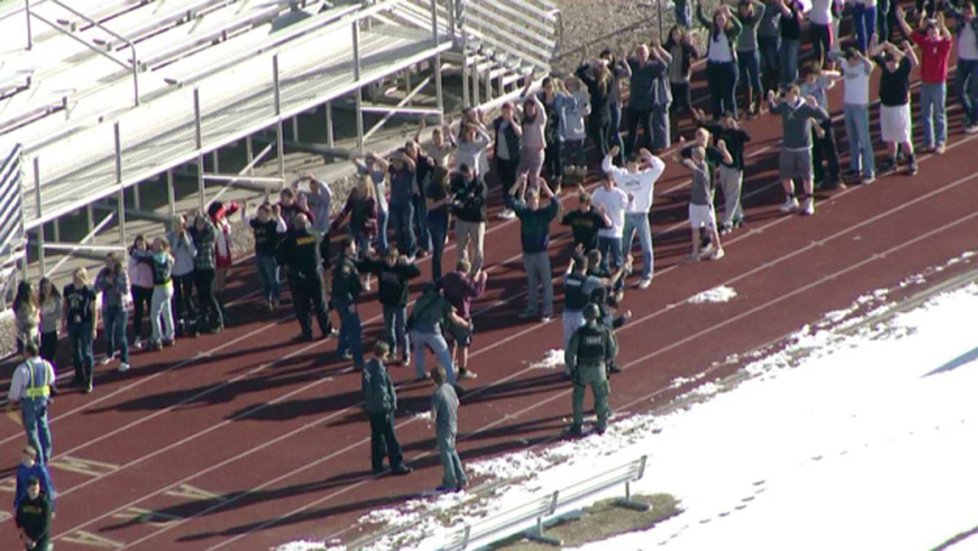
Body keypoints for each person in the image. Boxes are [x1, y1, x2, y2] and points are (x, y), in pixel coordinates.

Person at [601, 145, 666, 289]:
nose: (632, 168)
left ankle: (647, 275)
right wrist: (610, 155)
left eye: (635, 165)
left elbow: (661, 167)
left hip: (641, 215)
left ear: (639, 165)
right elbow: (606, 167)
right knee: (624, 245)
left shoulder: (646, 176)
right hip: (626, 215)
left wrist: (649, 157)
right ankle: (625, 268)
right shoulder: (622, 175)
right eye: (630, 165)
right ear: (626, 164)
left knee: (646, 246)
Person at [504, 175, 561, 322]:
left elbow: (556, 204)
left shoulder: (544, 213)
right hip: (528, 253)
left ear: (538, 200)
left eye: (534, 200)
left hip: (541, 253)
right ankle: (532, 307)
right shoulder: (524, 212)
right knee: (531, 282)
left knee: (547, 282)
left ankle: (547, 310)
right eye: (530, 201)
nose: (532, 203)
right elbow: (509, 200)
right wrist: (517, 183)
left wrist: (545, 187)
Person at [767, 86, 831, 215]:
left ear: (795, 94)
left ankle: (809, 201)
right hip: (787, 147)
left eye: (787, 94)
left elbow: (825, 116)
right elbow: (774, 111)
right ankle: (791, 199)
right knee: (785, 175)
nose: (785, 96)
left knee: (807, 176)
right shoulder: (785, 106)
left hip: (803, 148)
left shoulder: (805, 108)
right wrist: (770, 100)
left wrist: (816, 106)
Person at [900, 10, 954, 153]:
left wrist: (943, 26)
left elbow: (948, 37)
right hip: (926, 83)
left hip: (938, 84)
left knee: (939, 114)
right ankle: (928, 141)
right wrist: (901, 20)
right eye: (930, 30)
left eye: (935, 30)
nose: (932, 33)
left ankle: (941, 141)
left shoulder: (943, 44)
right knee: (926, 114)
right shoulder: (926, 43)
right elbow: (910, 33)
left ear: (938, 32)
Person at [358, 247, 422, 365]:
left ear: (396, 259)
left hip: (399, 304)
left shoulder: (402, 269)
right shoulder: (381, 266)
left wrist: (408, 263)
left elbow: (417, 272)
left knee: (402, 330)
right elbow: (368, 264)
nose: (390, 261)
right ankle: (392, 350)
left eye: (392, 259)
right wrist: (367, 254)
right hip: (387, 302)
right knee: (389, 329)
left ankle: (405, 354)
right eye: (388, 258)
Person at [692, 108, 753, 231]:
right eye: (723, 120)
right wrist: (701, 119)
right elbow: (705, 126)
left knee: (732, 195)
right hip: (724, 166)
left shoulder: (736, 133)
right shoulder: (719, 129)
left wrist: (735, 128)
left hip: (735, 168)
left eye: (727, 120)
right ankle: (738, 215)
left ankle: (727, 221)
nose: (724, 123)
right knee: (729, 193)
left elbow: (748, 137)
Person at [279, 213, 333, 343]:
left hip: (299, 277)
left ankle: (307, 333)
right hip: (315, 274)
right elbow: (325, 245)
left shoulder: (290, 239)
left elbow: (283, 258)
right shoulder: (314, 235)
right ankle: (326, 330)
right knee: (321, 304)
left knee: (303, 308)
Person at [565, 303, 617, 436]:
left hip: (583, 369)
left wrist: (571, 368)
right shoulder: (605, 331)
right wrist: (607, 362)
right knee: (601, 397)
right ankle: (602, 425)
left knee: (578, 397)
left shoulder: (580, 333)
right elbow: (613, 350)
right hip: (599, 369)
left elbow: (570, 352)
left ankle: (577, 425)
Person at [362, 341, 412, 476]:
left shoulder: (369, 367)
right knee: (390, 437)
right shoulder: (378, 370)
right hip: (382, 409)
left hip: (373, 408)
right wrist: (389, 404)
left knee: (377, 436)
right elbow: (381, 391)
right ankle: (397, 464)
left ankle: (377, 464)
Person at [871, 40, 919, 175]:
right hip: (886, 107)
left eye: (894, 62)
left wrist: (893, 48)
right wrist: (883, 45)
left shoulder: (902, 71)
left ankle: (911, 160)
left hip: (899, 109)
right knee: (889, 137)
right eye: (889, 62)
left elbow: (909, 60)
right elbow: (873, 53)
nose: (891, 65)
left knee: (903, 137)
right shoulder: (885, 69)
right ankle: (891, 160)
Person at [408, 283, 470, 383]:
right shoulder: (441, 301)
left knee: (419, 351)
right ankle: (451, 380)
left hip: (415, 331)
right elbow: (454, 318)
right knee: (444, 354)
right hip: (432, 332)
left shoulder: (420, 300)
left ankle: (420, 373)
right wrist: (466, 325)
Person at [676, 143, 729, 260]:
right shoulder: (695, 166)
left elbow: (700, 174)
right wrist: (679, 152)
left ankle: (719, 248)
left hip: (705, 203)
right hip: (694, 202)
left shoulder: (704, 167)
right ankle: (695, 253)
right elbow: (680, 160)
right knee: (695, 228)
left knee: (712, 227)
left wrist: (691, 165)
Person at [833, 45, 877, 184]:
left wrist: (861, 56)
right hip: (848, 105)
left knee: (864, 139)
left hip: (860, 106)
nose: (852, 62)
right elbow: (830, 55)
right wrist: (845, 52)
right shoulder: (846, 64)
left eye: (853, 59)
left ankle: (869, 171)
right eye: (850, 59)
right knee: (852, 138)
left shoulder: (863, 68)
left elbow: (870, 65)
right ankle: (855, 167)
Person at [562, 254, 622, 351]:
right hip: (579, 315)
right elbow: (610, 282)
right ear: (585, 267)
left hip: (566, 314)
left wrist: (571, 263)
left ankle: (569, 364)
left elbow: (567, 273)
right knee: (582, 342)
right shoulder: (587, 281)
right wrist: (621, 270)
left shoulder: (568, 278)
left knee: (569, 344)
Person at [6, 343, 55, 463]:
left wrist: (11, 403)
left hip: (29, 403)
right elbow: (51, 380)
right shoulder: (46, 365)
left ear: (27, 353)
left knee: (32, 430)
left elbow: (15, 390)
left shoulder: (23, 369)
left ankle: (38, 457)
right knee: (43, 426)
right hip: (43, 401)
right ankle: (47, 452)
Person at [799, 63, 844, 189]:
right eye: (808, 76)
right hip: (813, 123)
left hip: (825, 120)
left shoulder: (820, 82)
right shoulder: (803, 89)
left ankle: (836, 178)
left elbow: (838, 75)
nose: (811, 79)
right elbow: (806, 111)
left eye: (813, 76)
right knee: (815, 152)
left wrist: (825, 73)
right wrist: (816, 127)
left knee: (831, 150)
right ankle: (819, 178)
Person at [440, 259, 487, 381]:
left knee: (450, 344)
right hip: (462, 316)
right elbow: (476, 292)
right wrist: (482, 279)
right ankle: (462, 370)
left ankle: (448, 367)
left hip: (448, 315)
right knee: (463, 344)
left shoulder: (447, 277)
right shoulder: (463, 280)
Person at [698, 3, 744, 119]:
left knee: (729, 96)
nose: (720, 21)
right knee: (715, 96)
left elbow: (740, 27)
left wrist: (731, 15)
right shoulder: (712, 30)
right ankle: (717, 119)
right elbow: (701, 18)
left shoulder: (731, 31)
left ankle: (732, 119)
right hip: (713, 66)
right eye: (718, 19)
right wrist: (699, 6)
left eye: (723, 19)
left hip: (728, 67)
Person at [132, 237, 176, 351]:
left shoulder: (155, 257)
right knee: (167, 311)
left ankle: (157, 339)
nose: (153, 245)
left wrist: (133, 250)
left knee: (154, 314)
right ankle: (170, 335)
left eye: (156, 244)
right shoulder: (168, 256)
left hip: (160, 287)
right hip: (169, 285)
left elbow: (139, 256)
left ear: (162, 246)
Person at [623, 44, 669, 154]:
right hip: (634, 103)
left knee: (648, 130)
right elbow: (623, 61)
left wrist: (657, 55)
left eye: (644, 52)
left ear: (648, 54)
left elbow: (664, 66)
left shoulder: (652, 67)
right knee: (632, 130)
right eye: (639, 53)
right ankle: (629, 152)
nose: (641, 55)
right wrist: (626, 54)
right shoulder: (634, 65)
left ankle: (649, 151)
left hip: (647, 104)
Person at [376, 149, 419, 260]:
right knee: (397, 229)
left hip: (406, 204)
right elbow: (384, 163)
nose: (395, 164)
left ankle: (412, 250)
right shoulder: (392, 171)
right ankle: (401, 250)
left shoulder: (407, 171)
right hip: (394, 204)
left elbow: (412, 164)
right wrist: (390, 154)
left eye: (398, 162)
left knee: (408, 228)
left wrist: (403, 156)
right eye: (394, 162)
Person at [430, 365, 467, 492]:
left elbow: (433, 415)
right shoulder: (450, 387)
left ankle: (450, 482)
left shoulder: (436, 394)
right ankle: (461, 478)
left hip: (443, 426)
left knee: (446, 454)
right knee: (452, 451)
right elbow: (457, 403)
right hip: (453, 423)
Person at [187, 211, 223, 334]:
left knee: (209, 295)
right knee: (201, 297)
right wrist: (190, 218)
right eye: (198, 223)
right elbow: (186, 229)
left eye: (202, 223)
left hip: (208, 268)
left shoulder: (209, 235)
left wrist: (204, 218)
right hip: (197, 269)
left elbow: (212, 229)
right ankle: (203, 320)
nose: (200, 225)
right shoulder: (193, 235)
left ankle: (218, 320)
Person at [945, 0, 978, 134]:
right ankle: (970, 113)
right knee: (959, 89)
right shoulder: (961, 21)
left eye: (970, 12)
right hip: (963, 61)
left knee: (974, 92)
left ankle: (974, 120)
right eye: (965, 11)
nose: (967, 14)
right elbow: (951, 10)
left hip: (976, 62)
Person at [95, 253, 131, 372]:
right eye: (107, 261)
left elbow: (126, 290)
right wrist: (105, 282)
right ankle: (109, 354)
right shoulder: (103, 273)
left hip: (120, 308)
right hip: (107, 307)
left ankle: (124, 360)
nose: (109, 264)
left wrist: (114, 282)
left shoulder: (122, 273)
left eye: (111, 261)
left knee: (121, 335)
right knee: (108, 334)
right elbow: (96, 288)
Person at [331, 238, 365, 367]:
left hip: (341, 300)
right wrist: (350, 301)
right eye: (353, 245)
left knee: (345, 325)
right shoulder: (345, 265)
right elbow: (342, 285)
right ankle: (359, 361)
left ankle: (341, 351)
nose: (355, 247)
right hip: (346, 301)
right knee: (354, 329)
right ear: (347, 247)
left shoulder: (346, 261)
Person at [63, 267, 97, 392]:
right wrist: (63, 322)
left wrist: (94, 327)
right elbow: (65, 306)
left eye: (78, 277)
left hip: (85, 323)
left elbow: (93, 310)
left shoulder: (89, 291)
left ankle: (89, 379)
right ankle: (79, 376)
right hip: (72, 323)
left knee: (86, 351)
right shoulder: (68, 289)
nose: (76, 280)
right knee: (74, 351)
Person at [246, 203, 285, 312]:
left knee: (273, 279)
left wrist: (278, 215)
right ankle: (267, 300)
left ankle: (277, 299)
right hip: (259, 254)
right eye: (259, 213)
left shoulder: (273, 224)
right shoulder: (257, 223)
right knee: (264, 279)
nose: (259, 215)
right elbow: (246, 221)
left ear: (268, 214)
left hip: (270, 255)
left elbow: (283, 228)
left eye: (262, 213)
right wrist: (245, 209)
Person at [450, 164, 488, 274]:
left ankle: (475, 272)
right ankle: (464, 270)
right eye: (464, 176)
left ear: (474, 173)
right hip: (462, 219)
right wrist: (455, 204)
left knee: (478, 248)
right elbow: (454, 194)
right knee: (461, 247)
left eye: (469, 176)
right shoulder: (457, 182)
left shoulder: (480, 184)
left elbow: (480, 200)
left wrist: (465, 204)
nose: (466, 178)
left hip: (476, 220)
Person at [517, 74, 551, 191]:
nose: (529, 110)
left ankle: (534, 196)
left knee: (534, 177)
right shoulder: (523, 118)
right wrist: (526, 88)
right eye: (527, 108)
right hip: (526, 151)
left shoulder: (540, 120)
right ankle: (521, 196)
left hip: (537, 152)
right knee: (520, 175)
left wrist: (533, 97)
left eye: (532, 108)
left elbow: (540, 108)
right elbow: (519, 101)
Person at [555, 75, 591, 184]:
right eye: (568, 84)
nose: (571, 86)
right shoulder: (560, 96)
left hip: (578, 130)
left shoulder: (581, 95)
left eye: (573, 84)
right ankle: (569, 174)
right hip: (566, 130)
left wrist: (583, 108)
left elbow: (585, 110)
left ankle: (581, 173)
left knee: (580, 154)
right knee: (567, 154)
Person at [590, 176, 631, 272]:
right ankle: (606, 279)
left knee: (618, 260)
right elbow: (592, 204)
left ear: (613, 181)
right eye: (604, 182)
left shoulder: (620, 194)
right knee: (603, 259)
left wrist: (631, 201)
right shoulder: (598, 193)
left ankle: (619, 283)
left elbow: (628, 207)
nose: (606, 185)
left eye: (608, 182)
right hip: (602, 232)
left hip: (615, 232)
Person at [577, 54, 613, 159]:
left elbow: (580, 72)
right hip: (607, 115)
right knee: (605, 143)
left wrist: (588, 63)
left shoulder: (594, 84)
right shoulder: (609, 81)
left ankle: (605, 168)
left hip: (596, 118)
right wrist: (603, 64)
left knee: (600, 146)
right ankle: (610, 164)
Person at [350, 153, 389, 253]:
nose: (368, 163)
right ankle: (370, 250)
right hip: (368, 210)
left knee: (381, 235)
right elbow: (352, 157)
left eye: (371, 161)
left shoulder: (378, 174)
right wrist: (363, 155)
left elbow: (386, 165)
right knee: (368, 234)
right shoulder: (364, 171)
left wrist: (376, 156)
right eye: (367, 161)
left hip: (380, 209)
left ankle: (384, 253)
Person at [166, 215, 197, 337]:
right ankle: (179, 322)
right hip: (175, 272)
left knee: (188, 297)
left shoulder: (188, 235)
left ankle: (193, 322)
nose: (179, 226)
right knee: (177, 298)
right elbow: (170, 252)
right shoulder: (169, 237)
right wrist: (177, 241)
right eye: (177, 224)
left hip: (188, 270)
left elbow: (194, 252)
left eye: (181, 223)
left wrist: (186, 240)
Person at [664, 26, 701, 126]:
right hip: (671, 80)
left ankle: (699, 121)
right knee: (673, 106)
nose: (676, 36)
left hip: (683, 80)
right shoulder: (668, 47)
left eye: (678, 34)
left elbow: (696, 55)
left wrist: (691, 44)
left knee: (687, 105)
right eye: (674, 34)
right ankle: (673, 131)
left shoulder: (685, 46)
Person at [736, 0, 767, 118]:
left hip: (752, 51)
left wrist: (752, 1)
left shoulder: (754, 19)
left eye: (747, 8)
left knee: (755, 78)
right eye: (743, 9)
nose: (744, 11)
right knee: (744, 79)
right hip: (740, 51)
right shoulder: (737, 19)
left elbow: (762, 7)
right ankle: (747, 104)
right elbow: (727, 8)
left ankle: (758, 106)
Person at [492, 103, 523, 220]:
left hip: (512, 158)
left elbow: (519, 133)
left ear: (513, 112)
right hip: (501, 157)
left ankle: (513, 206)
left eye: (508, 112)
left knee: (511, 182)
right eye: (504, 112)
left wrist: (512, 121)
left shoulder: (514, 122)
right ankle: (506, 205)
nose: (506, 114)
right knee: (504, 183)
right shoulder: (499, 122)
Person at [560, 187, 612, 253]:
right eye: (580, 202)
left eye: (582, 202)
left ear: (588, 203)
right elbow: (561, 220)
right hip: (578, 249)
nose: (580, 204)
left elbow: (609, 225)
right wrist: (559, 211)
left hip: (591, 250)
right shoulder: (574, 215)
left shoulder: (595, 216)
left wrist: (604, 215)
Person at [426, 166, 452, 282]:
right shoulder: (432, 188)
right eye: (447, 176)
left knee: (440, 248)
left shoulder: (445, 186)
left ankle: (437, 274)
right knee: (438, 250)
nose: (448, 178)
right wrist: (444, 201)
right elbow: (430, 206)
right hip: (435, 219)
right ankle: (436, 276)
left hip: (443, 218)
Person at [207, 200, 240, 294]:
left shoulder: (223, 218)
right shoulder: (213, 220)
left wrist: (229, 204)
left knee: (225, 267)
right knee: (220, 268)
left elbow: (235, 207)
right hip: (217, 247)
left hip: (224, 245)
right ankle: (219, 287)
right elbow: (217, 216)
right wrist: (224, 208)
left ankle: (221, 285)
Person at [127, 235, 153, 349]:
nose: (140, 247)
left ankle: (153, 333)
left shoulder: (151, 255)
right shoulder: (133, 258)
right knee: (138, 312)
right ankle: (137, 335)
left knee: (152, 311)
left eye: (142, 244)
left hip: (150, 286)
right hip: (138, 287)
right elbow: (130, 271)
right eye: (138, 245)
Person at [15, 476, 51, 551]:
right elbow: (19, 521)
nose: (34, 492)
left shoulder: (44, 504)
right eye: (32, 489)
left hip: (41, 539)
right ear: (28, 489)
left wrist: (34, 539)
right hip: (28, 537)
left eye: (36, 489)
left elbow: (45, 525)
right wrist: (25, 537)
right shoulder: (23, 503)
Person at [14, 446, 55, 512]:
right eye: (23, 458)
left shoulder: (40, 470)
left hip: (37, 501)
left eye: (26, 458)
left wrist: (52, 506)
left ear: (32, 458)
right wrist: (16, 502)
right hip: (25, 499)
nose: (23, 460)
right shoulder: (21, 469)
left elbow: (48, 488)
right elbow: (19, 487)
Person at [757, 0, 783, 94]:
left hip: (772, 37)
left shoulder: (775, 4)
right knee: (765, 65)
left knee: (774, 64)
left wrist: (781, 4)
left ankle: (776, 87)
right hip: (760, 37)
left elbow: (788, 13)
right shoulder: (759, 4)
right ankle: (765, 89)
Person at [36, 279, 60, 371]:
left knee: (51, 354)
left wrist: (46, 318)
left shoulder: (56, 299)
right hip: (42, 332)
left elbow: (58, 314)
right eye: (44, 288)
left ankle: (51, 373)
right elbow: (37, 315)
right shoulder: (39, 301)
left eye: (48, 288)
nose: (46, 290)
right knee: (42, 355)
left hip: (52, 330)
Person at [777, 0, 803, 85]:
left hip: (793, 37)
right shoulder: (779, 5)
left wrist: (797, 10)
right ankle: (785, 84)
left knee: (791, 62)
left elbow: (799, 17)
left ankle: (793, 83)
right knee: (783, 61)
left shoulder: (795, 4)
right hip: (783, 37)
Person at [12, 281, 39, 355]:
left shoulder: (30, 302)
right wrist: (36, 316)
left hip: (34, 333)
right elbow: (28, 323)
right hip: (26, 338)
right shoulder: (22, 307)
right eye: (30, 291)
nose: (32, 292)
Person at [809, 0, 834, 67]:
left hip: (825, 22)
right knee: (816, 49)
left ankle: (830, 69)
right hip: (814, 21)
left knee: (828, 50)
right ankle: (817, 69)